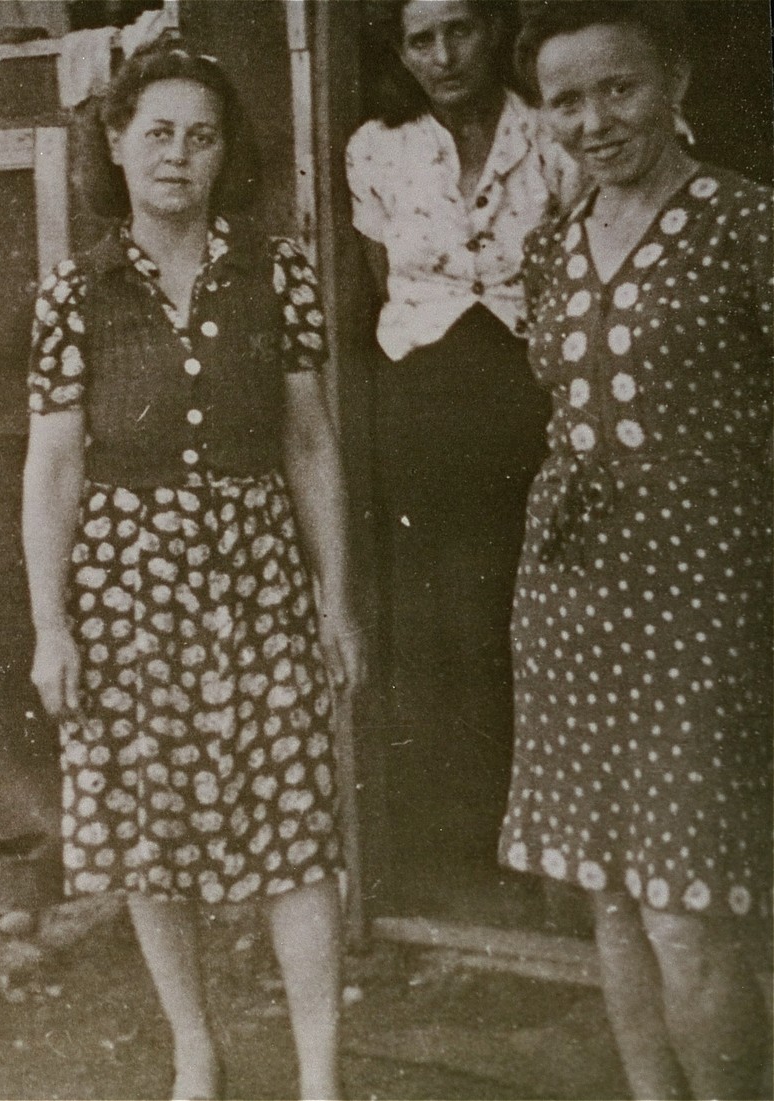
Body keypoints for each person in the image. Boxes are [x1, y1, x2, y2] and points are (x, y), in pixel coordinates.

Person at [21, 39, 363, 1101]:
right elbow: (53, 465)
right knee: (146, 829)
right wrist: (53, 625)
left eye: (201, 136)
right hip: (126, 590)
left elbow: (308, 442)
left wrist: (334, 600)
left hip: (258, 580)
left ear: (226, 155)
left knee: (295, 824)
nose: (178, 155)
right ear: (117, 145)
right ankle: (196, 1050)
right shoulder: (76, 292)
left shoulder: (279, 272)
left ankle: (318, 1077)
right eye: (157, 133)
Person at [503, 5, 774, 1098]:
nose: (594, 120)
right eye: (566, 101)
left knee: (685, 901)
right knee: (607, 891)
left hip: (709, 597)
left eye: (618, 89)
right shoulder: (551, 246)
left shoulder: (747, 224)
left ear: (675, 80)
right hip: (573, 599)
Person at [346, 0, 579, 886]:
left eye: (462, 30)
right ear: (398, 50)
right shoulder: (376, 146)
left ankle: (548, 843)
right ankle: (461, 841)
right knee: (443, 619)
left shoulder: (552, 133)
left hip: (532, 395)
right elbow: (383, 286)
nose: (444, 56)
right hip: (425, 404)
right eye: (420, 38)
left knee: (534, 614)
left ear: (496, 30)